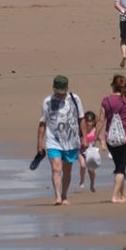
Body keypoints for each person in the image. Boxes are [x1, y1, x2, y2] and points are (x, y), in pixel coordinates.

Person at [37, 74, 84, 206]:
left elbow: (81, 118)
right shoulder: (47, 102)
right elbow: (42, 123)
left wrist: (84, 137)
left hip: (71, 141)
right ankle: (57, 196)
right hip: (53, 141)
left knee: (67, 170)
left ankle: (64, 195)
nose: (60, 95)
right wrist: (40, 144)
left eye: (62, 92)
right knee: (56, 168)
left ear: (67, 88)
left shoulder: (75, 99)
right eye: (57, 92)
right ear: (53, 88)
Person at [100, 74, 126, 203]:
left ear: (113, 85)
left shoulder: (106, 100)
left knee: (119, 165)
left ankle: (122, 194)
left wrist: (98, 137)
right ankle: (115, 196)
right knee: (121, 168)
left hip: (111, 138)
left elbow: (101, 119)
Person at [77, 111, 99, 193]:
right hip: (81, 151)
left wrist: (103, 143)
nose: (89, 124)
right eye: (87, 122)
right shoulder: (81, 131)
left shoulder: (95, 130)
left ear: (93, 122)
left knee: (91, 170)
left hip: (91, 153)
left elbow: (101, 136)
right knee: (82, 165)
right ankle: (82, 180)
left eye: (90, 122)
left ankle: (92, 184)